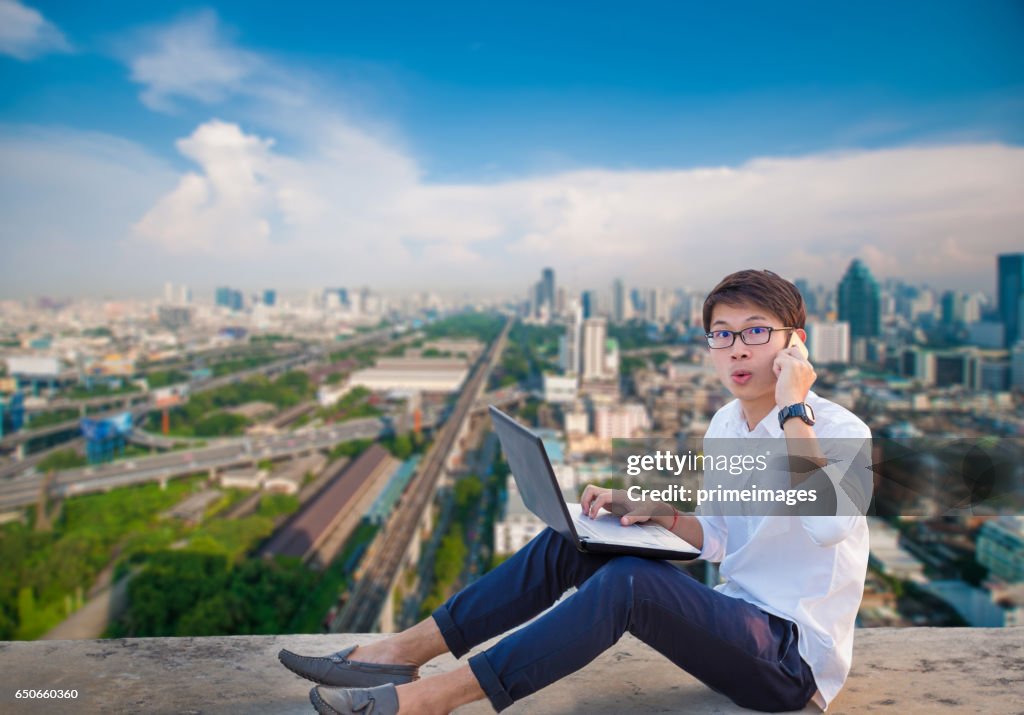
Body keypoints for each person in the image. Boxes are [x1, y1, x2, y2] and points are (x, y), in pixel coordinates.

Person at [279, 269, 872, 715]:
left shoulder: (840, 430)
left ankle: (432, 700)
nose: (737, 349)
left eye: (756, 332)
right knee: (575, 544)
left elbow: (827, 527)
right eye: (722, 334)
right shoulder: (727, 423)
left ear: (795, 345)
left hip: (791, 664)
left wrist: (796, 405)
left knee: (628, 582)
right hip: (737, 629)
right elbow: (717, 538)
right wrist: (656, 512)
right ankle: (399, 653)